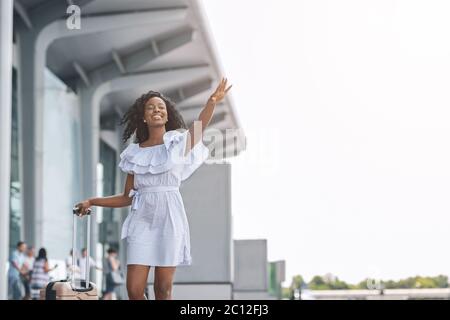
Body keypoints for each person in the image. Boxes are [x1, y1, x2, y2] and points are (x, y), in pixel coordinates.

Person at [75, 77, 232, 300]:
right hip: (142, 219)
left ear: (167, 115)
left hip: (170, 216)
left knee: (163, 289)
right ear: (143, 116)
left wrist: (212, 102)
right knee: (134, 290)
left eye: (161, 107)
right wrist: (92, 201)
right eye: (150, 107)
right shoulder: (133, 153)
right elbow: (125, 197)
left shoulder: (177, 144)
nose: (156, 110)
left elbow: (199, 127)